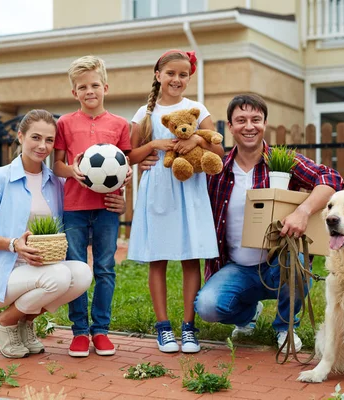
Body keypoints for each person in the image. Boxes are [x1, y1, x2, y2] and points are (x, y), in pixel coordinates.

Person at [193, 94, 344, 352]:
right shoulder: (217, 170)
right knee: (207, 307)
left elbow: (331, 179)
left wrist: (303, 211)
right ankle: (248, 314)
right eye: (241, 120)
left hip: (279, 264)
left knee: (295, 264)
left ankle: (285, 328)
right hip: (237, 267)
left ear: (265, 123)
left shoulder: (282, 162)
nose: (249, 126)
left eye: (256, 119)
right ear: (229, 126)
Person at [0, 109, 94, 359]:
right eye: (35, 137)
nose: (42, 146)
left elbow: (82, 213)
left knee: (81, 274)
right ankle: (4, 322)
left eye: (49, 140)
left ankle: (24, 323)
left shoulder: (56, 183)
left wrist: (116, 202)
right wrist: (13, 244)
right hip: (2, 274)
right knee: (59, 275)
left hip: (39, 271)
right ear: (21, 137)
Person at [127, 50, 224, 354]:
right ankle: (163, 328)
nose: (177, 79)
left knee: (189, 256)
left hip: (190, 188)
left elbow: (217, 149)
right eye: (171, 73)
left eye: (183, 75)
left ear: (189, 78)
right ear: (158, 75)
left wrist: (196, 140)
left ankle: (189, 327)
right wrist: (154, 145)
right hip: (159, 186)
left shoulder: (196, 108)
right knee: (158, 257)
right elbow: (131, 155)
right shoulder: (144, 113)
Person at [53, 55, 131, 358]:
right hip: (74, 205)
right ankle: (79, 332)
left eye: (94, 85)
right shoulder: (64, 123)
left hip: (107, 208)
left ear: (105, 87)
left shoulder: (120, 125)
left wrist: (123, 192)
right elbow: (57, 165)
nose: (89, 91)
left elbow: (125, 169)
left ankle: (101, 330)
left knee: (105, 268)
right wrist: (72, 171)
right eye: (82, 87)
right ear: (75, 93)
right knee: (76, 269)